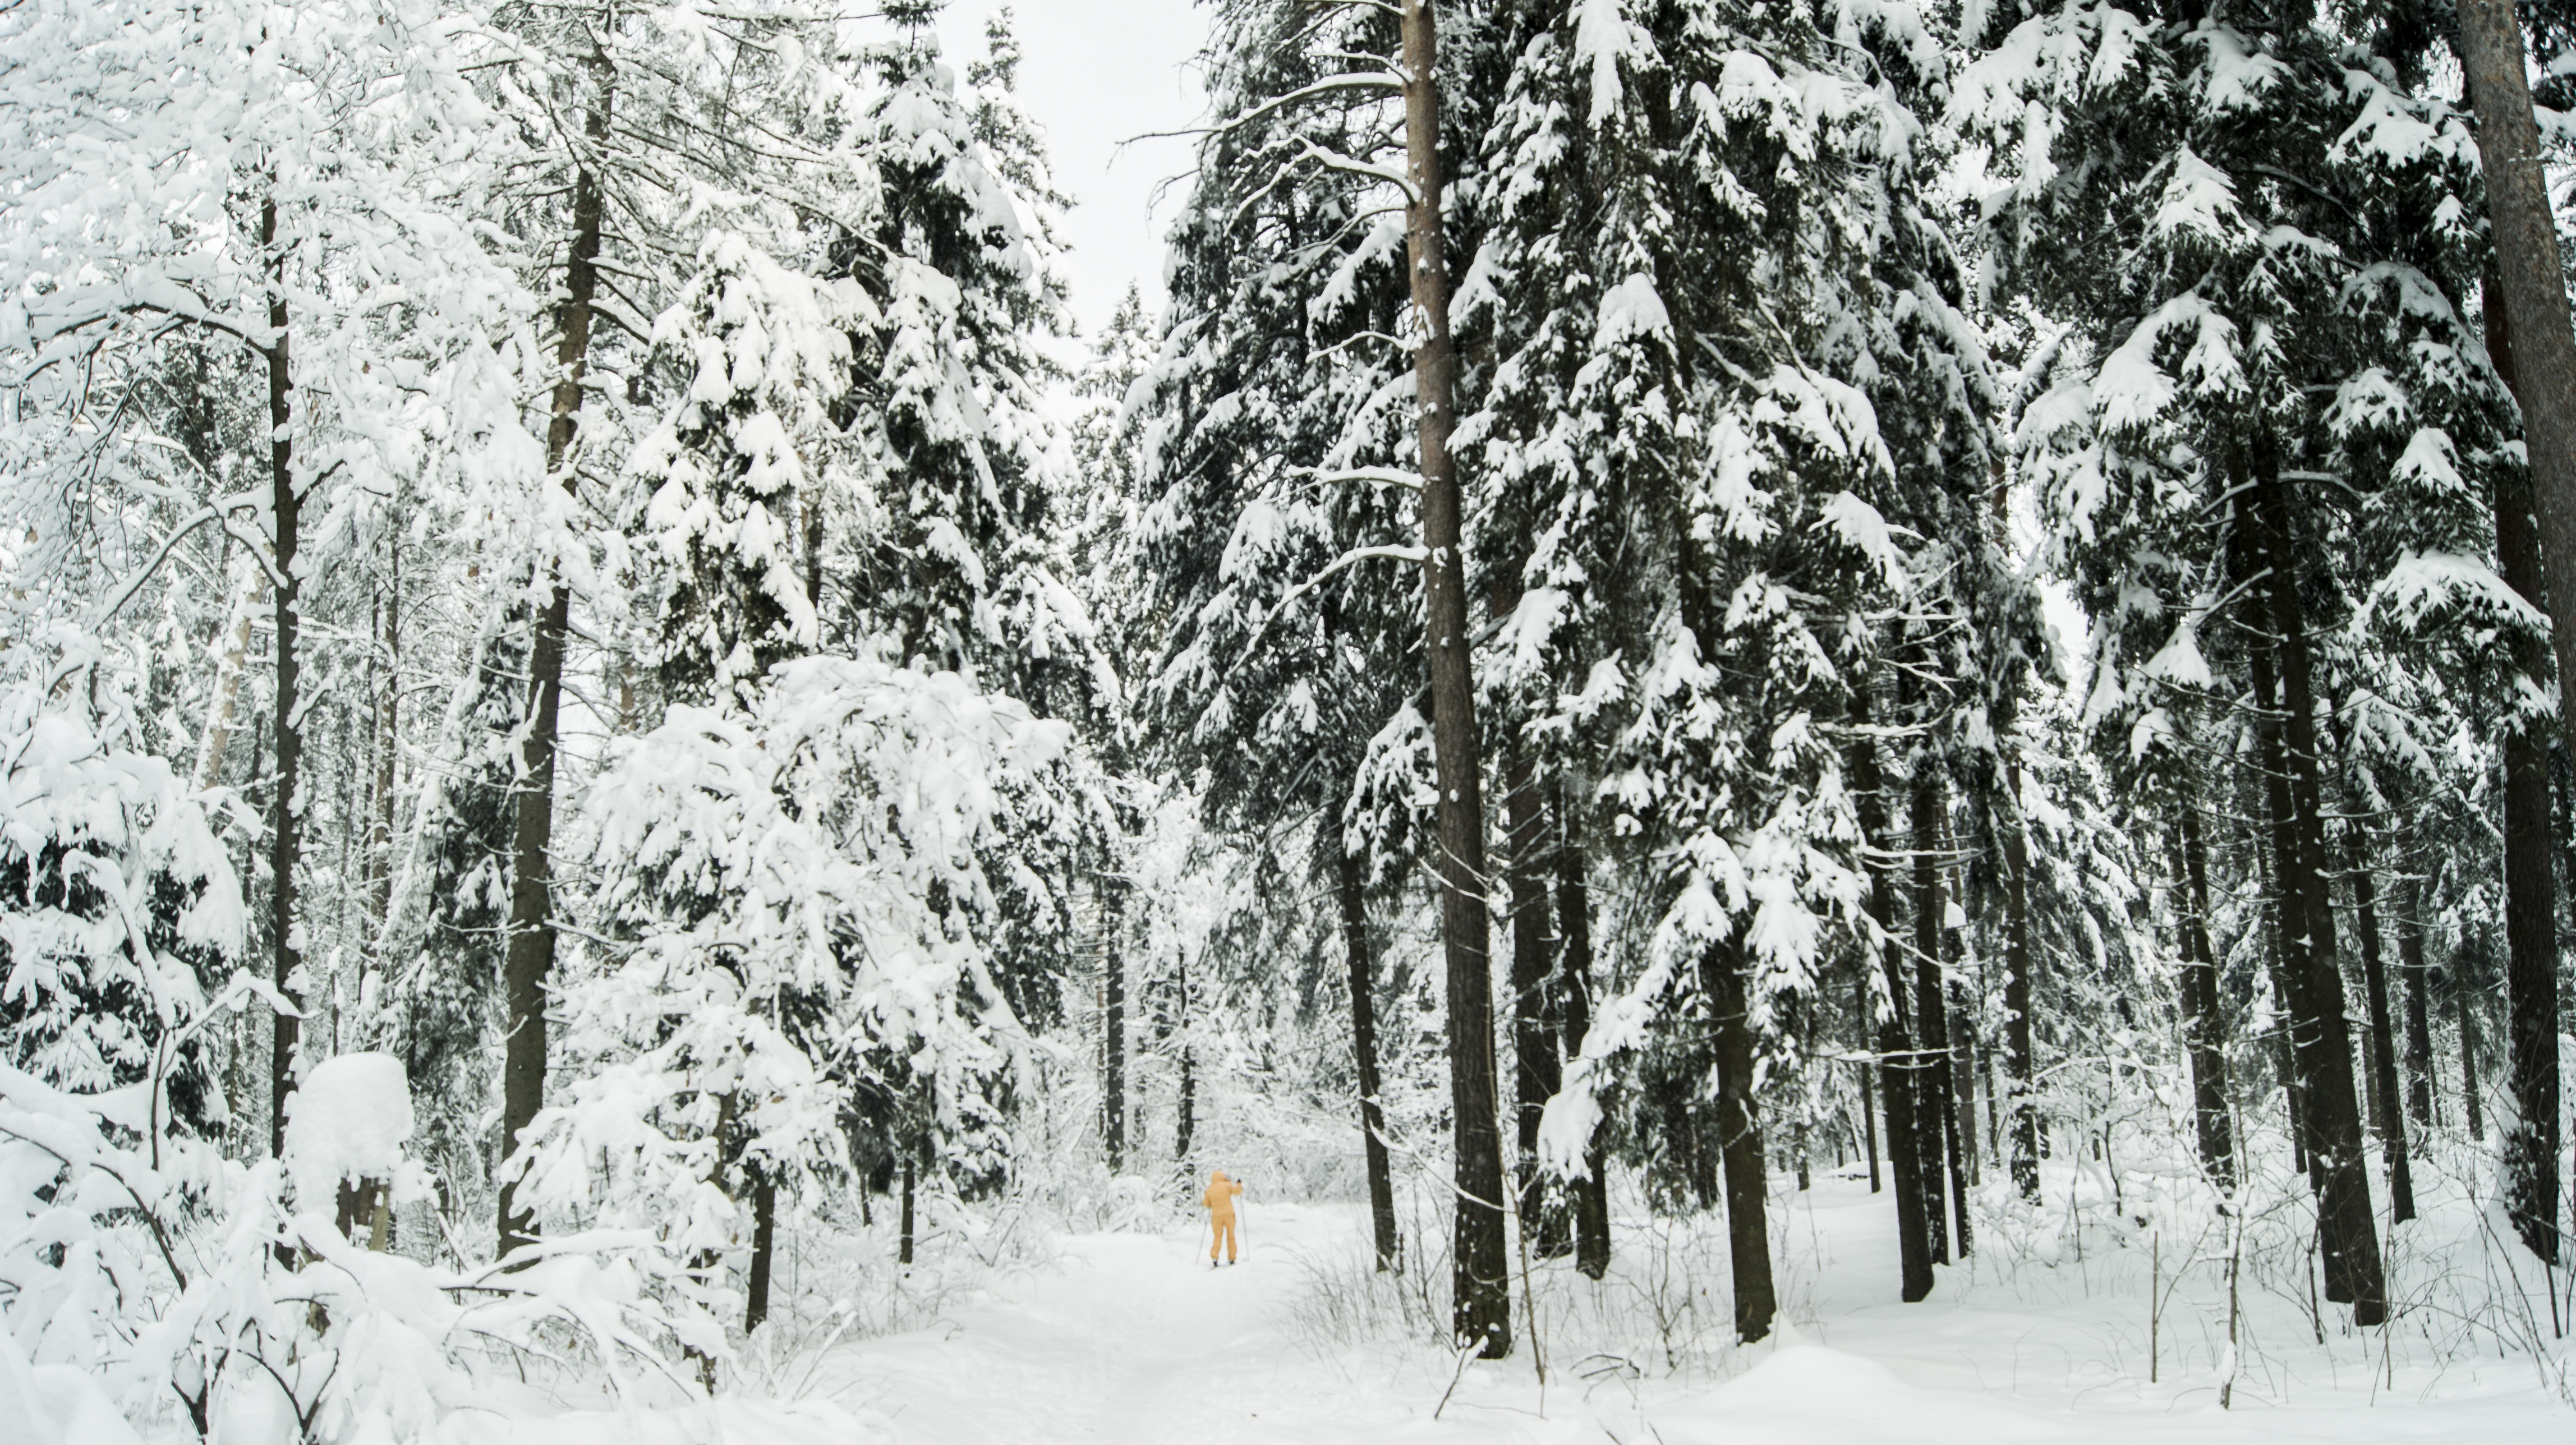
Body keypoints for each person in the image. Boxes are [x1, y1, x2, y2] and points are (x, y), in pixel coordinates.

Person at [1201, 1168, 1245, 1266]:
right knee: (1231, 1237)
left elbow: (1205, 1204)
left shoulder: (1210, 1189)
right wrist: (1239, 1184)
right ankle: (1232, 1258)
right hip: (1229, 1215)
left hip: (1216, 1216)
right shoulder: (1227, 1185)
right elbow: (1238, 1192)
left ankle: (1214, 1256)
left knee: (1218, 1237)